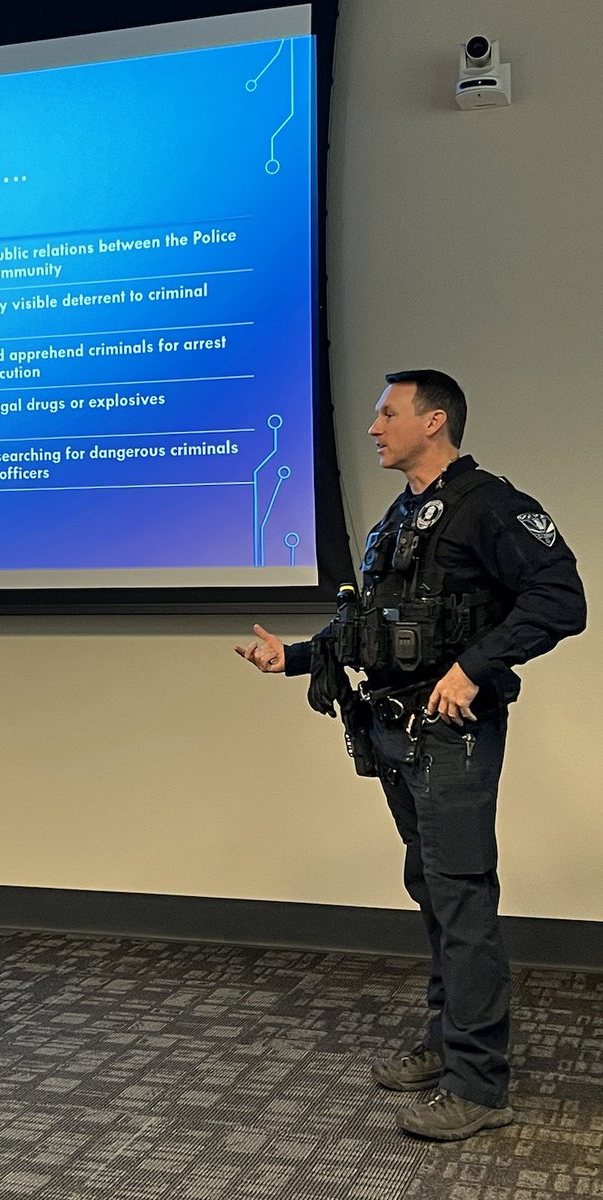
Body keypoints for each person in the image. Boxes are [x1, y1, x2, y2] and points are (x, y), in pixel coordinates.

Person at [236, 370, 587, 1142]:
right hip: (396, 732)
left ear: (433, 421)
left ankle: (479, 1085)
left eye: (387, 413)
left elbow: (563, 599)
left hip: (454, 735)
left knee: (462, 900)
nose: (373, 428)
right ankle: (445, 1043)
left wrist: (474, 668)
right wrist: (293, 658)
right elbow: (370, 627)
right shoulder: (400, 519)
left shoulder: (490, 505)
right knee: (432, 887)